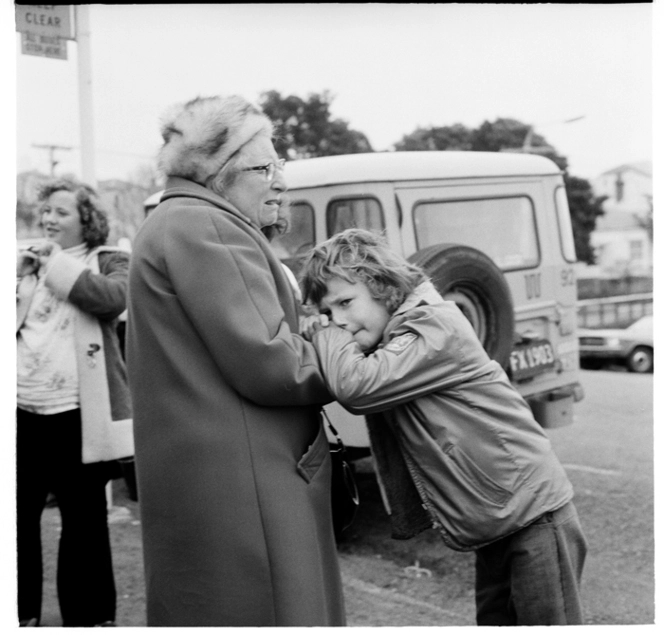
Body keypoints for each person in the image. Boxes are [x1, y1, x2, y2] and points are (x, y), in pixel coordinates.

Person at [125, 95, 345, 627]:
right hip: (248, 487)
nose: (279, 180)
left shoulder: (174, 220)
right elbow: (274, 364)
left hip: (213, 476)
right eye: (264, 166)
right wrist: (357, 350)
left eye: (279, 164)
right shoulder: (209, 226)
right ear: (219, 172)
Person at [299, 228, 588, 626]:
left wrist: (325, 334)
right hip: (499, 518)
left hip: (533, 514)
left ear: (384, 287)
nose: (340, 321)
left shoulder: (433, 326)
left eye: (346, 303)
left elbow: (357, 387)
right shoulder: (395, 335)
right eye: (329, 313)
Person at [16, 178, 133, 627]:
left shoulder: (109, 260)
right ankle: (20, 617)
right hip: (23, 413)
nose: (48, 219)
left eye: (60, 212)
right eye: (45, 212)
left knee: (84, 526)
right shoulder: (25, 261)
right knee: (17, 524)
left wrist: (55, 267)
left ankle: (88, 621)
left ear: (87, 219)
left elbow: (112, 300)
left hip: (79, 417)